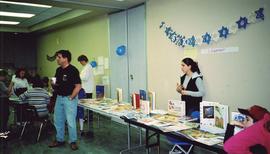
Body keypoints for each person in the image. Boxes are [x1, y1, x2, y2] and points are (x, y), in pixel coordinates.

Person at [48, 50, 81, 150]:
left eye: (59, 57)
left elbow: (78, 86)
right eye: (57, 57)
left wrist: (71, 97)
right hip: (59, 98)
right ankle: (60, 139)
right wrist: (53, 84)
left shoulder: (73, 70)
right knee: (58, 120)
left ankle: (73, 141)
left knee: (70, 121)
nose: (57, 59)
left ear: (65, 58)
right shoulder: (58, 70)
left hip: (69, 98)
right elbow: (57, 84)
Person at [77, 55, 94, 136]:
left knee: (87, 107)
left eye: (80, 61)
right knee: (87, 107)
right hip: (86, 89)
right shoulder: (86, 67)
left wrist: (79, 75)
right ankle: (86, 119)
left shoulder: (88, 67)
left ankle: (89, 121)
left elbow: (85, 78)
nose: (80, 63)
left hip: (87, 90)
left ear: (83, 60)